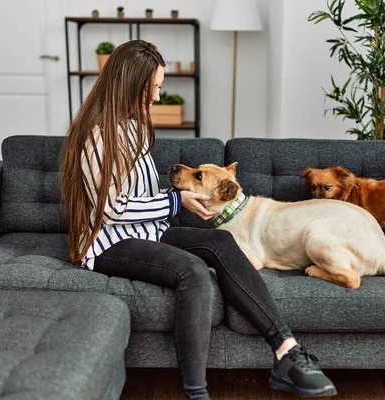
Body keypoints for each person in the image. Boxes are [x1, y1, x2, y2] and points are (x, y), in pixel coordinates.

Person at [60, 39, 337, 400]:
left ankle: (287, 352)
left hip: (147, 231)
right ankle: (196, 393)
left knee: (221, 240)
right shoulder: (97, 138)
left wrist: (181, 201)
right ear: (130, 84)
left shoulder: (133, 126)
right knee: (192, 270)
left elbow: (141, 194)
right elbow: (113, 209)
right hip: (108, 242)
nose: (157, 98)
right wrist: (176, 201)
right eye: (154, 88)